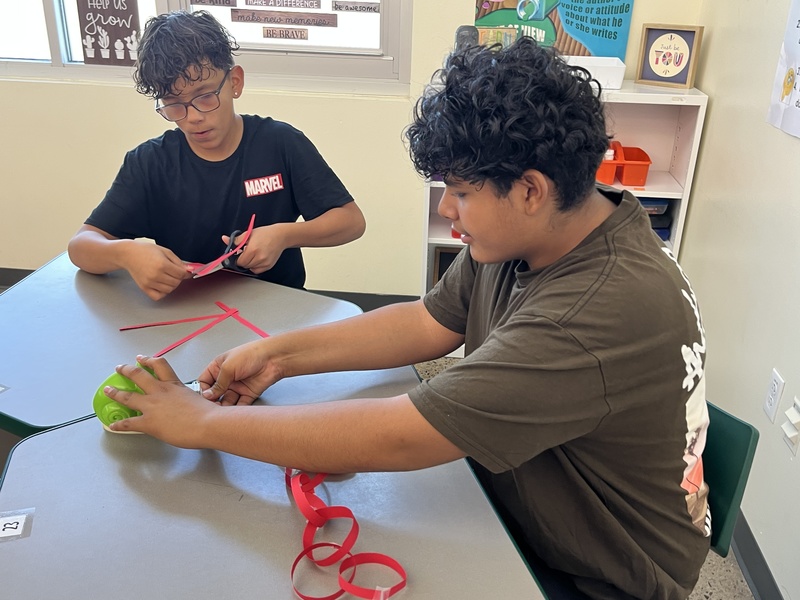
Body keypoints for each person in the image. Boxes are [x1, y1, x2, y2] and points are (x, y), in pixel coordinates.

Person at [103, 37, 710, 599]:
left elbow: (403, 433)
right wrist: (277, 355)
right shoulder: (551, 227)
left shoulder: (590, 314)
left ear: (530, 189)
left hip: (601, 573)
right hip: (533, 493)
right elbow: (428, 322)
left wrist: (198, 422)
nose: (448, 209)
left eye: (461, 192)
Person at [67, 10, 365, 301]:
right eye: (174, 104)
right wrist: (126, 254)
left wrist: (284, 235)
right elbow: (81, 246)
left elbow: (350, 221)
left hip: (276, 308)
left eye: (205, 96)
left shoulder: (280, 143)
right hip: (185, 311)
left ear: (234, 83)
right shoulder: (150, 163)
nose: (193, 117)